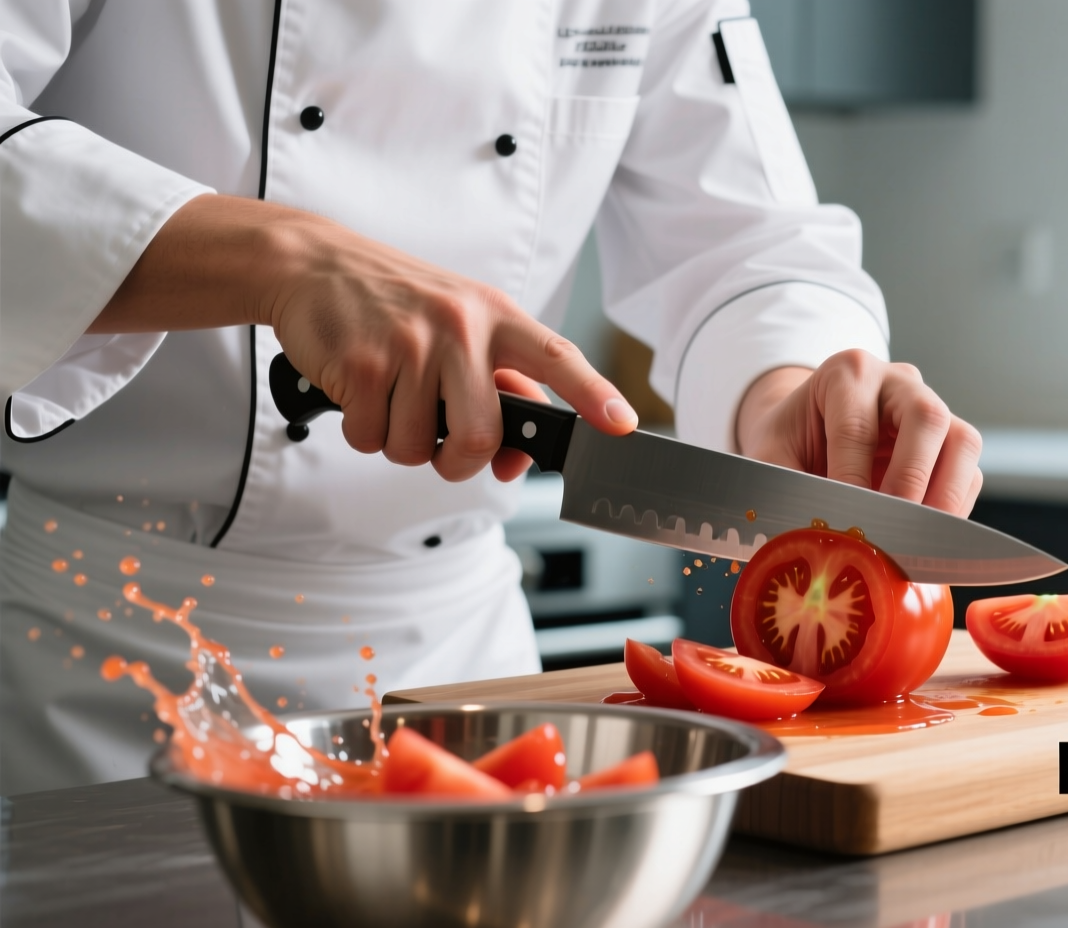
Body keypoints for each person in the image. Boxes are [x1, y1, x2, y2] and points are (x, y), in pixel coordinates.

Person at [0, 1, 983, 795]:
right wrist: (281, 258)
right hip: (111, 671)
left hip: (459, 674)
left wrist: (790, 384)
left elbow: (749, 244)